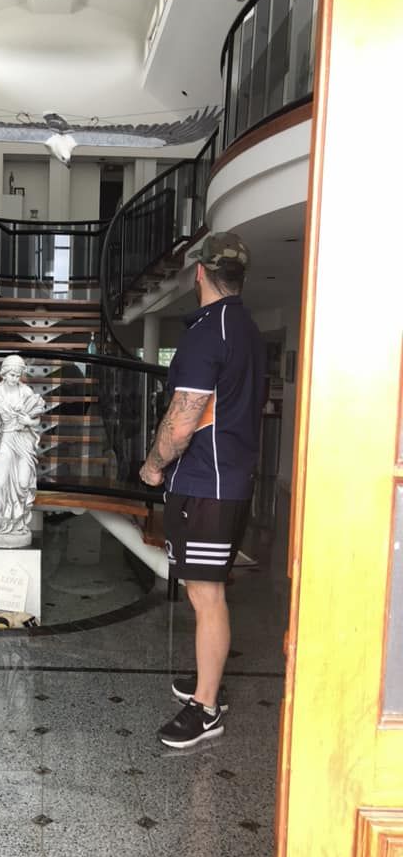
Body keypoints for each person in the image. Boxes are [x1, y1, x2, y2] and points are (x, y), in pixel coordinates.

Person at [139, 232, 265, 748]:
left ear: (199, 274)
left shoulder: (207, 333)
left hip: (207, 484)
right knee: (202, 589)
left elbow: (183, 418)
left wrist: (151, 467)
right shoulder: (248, 328)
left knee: (206, 593)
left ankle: (207, 707)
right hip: (227, 477)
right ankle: (207, 678)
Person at [0, 355, 46, 543]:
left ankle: (18, 523)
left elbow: (37, 420)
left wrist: (29, 421)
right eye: (10, 374)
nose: (14, 378)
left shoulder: (25, 391)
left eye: (17, 375)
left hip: (24, 440)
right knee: (0, 482)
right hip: (6, 439)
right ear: (3, 373)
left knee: (23, 483)